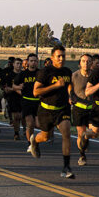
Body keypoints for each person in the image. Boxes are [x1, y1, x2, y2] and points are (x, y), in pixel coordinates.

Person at [31, 46, 75, 179]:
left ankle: (66, 167)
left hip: (62, 109)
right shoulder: (45, 72)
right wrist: (55, 86)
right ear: (52, 58)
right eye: (58, 56)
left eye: (63, 56)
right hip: (46, 110)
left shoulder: (67, 71)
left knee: (66, 132)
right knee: (45, 137)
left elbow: (69, 84)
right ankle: (35, 141)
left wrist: (71, 95)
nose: (61, 59)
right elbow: (36, 92)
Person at [70, 54, 93, 165]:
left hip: (93, 108)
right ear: (80, 63)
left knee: (90, 133)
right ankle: (82, 156)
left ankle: (86, 141)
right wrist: (70, 98)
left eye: (88, 61)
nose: (86, 63)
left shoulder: (95, 75)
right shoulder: (74, 76)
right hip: (79, 108)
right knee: (80, 133)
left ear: (92, 63)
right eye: (83, 61)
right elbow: (69, 90)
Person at [13, 53, 40, 144]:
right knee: (30, 123)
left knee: (38, 125)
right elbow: (14, 85)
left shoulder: (41, 73)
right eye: (31, 61)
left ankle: (35, 139)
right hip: (26, 101)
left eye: (35, 61)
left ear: (38, 62)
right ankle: (30, 143)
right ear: (27, 62)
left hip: (39, 102)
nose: (33, 63)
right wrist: (19, 88)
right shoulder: (23, 74)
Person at [3, 58, 23, 140]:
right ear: (13, 64)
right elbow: (6, 89)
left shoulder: (23, 75)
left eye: (20, 64)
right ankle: (16, 133)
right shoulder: (9, 75)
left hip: (23, 98)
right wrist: (15, 89)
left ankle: (25, 129)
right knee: (16, 116)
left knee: (23, 116)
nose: (19, 65)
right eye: (17, 63)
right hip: (13, 98)